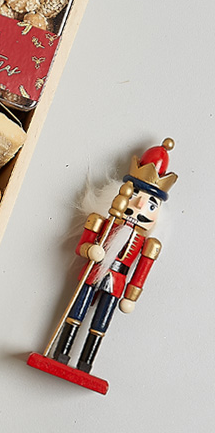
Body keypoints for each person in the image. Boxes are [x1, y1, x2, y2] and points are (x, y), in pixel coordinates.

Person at [50, 139, 177, 375]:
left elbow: (141, 273)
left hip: (117, 280)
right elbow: (82, 246)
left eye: (151, 204)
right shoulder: (103, 222)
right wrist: (91, 250)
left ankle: (86, 363)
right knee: (76, 311)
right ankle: (61, 353)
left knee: (101, 322)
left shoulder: (147, 243)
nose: (140, 204)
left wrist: (132, 296)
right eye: (136, 194)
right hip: (94, 272)